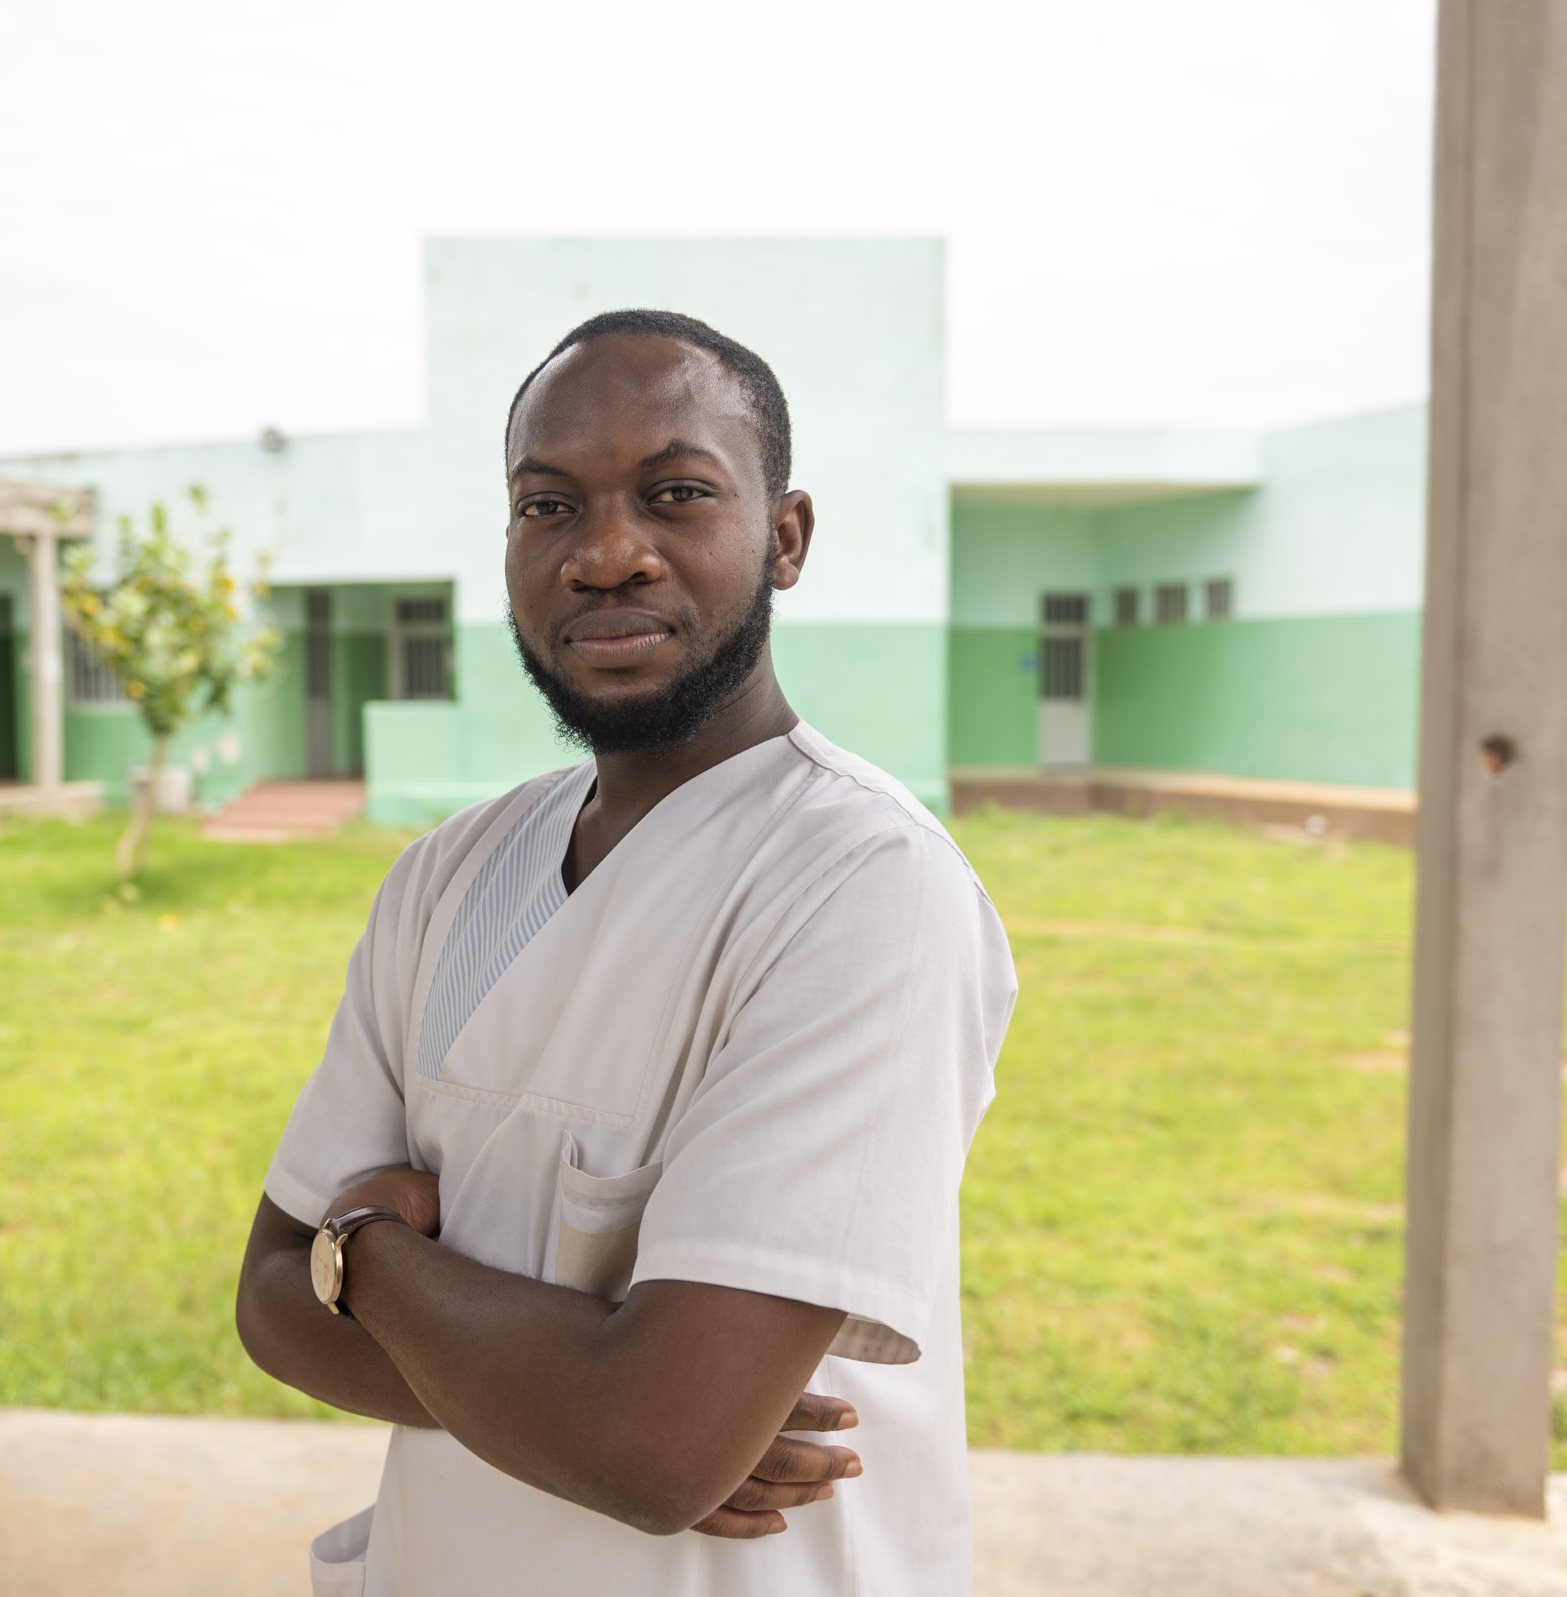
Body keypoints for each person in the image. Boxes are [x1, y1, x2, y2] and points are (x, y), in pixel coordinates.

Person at [234, 308, 1016, 1596]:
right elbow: (269, 1300)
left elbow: (655, 1447)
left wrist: (365, 1245)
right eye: (548, 507)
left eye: (676, 494)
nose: (606, 555)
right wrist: (588, 1401)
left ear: (787, 536)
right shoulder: (447, 878)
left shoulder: (862, 884)